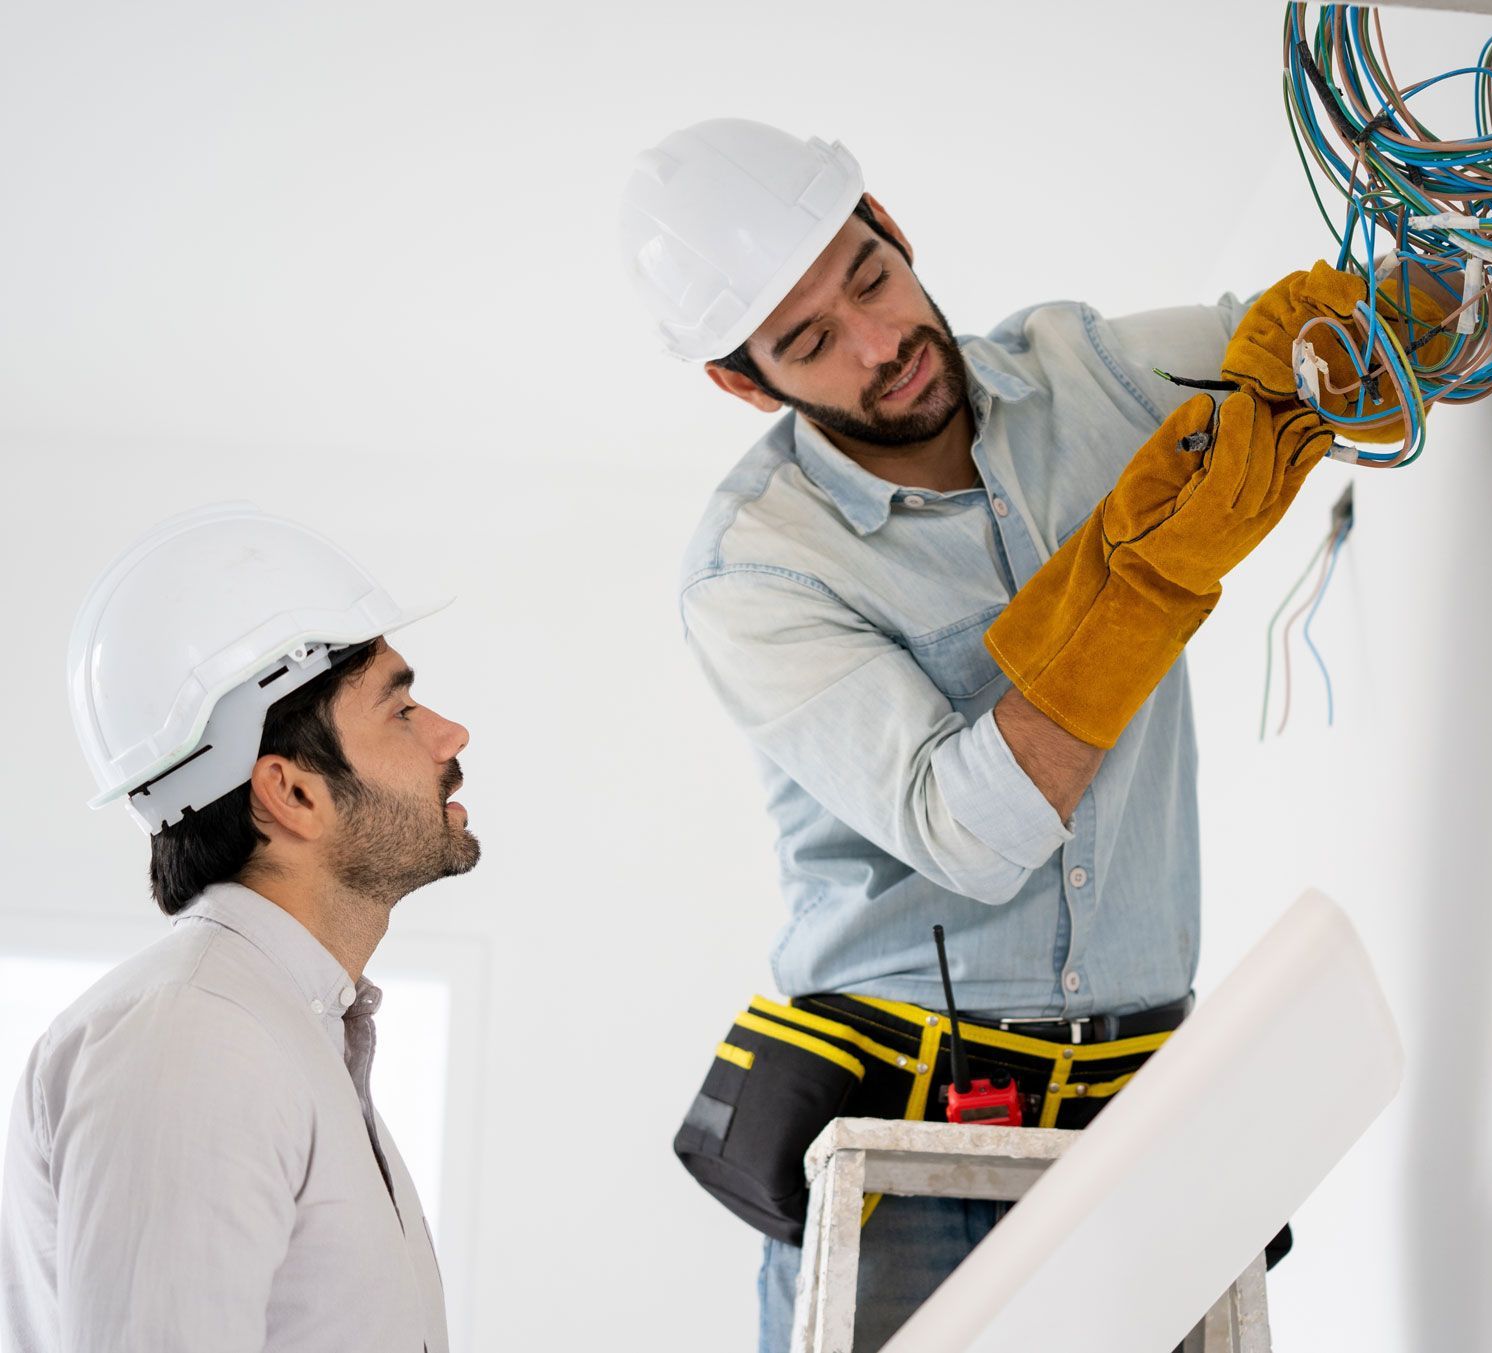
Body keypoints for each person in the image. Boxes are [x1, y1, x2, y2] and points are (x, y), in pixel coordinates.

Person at [621, 120, 1364, 1351]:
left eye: (872, 277)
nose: (881, 346)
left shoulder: (1086, 374)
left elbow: (1305, 347)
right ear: (744, 383)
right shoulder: (756, 569)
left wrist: (1416, 317)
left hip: (1143, 1129)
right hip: (906, 1159)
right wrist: (1148, 579)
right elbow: (969, 832)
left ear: (896, 232)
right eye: (810, 342)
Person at [0, 504, 476, 1353]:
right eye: (400, 710)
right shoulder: (193, 1040)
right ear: (291, 792)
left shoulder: (282, 1029)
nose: (450, 733)